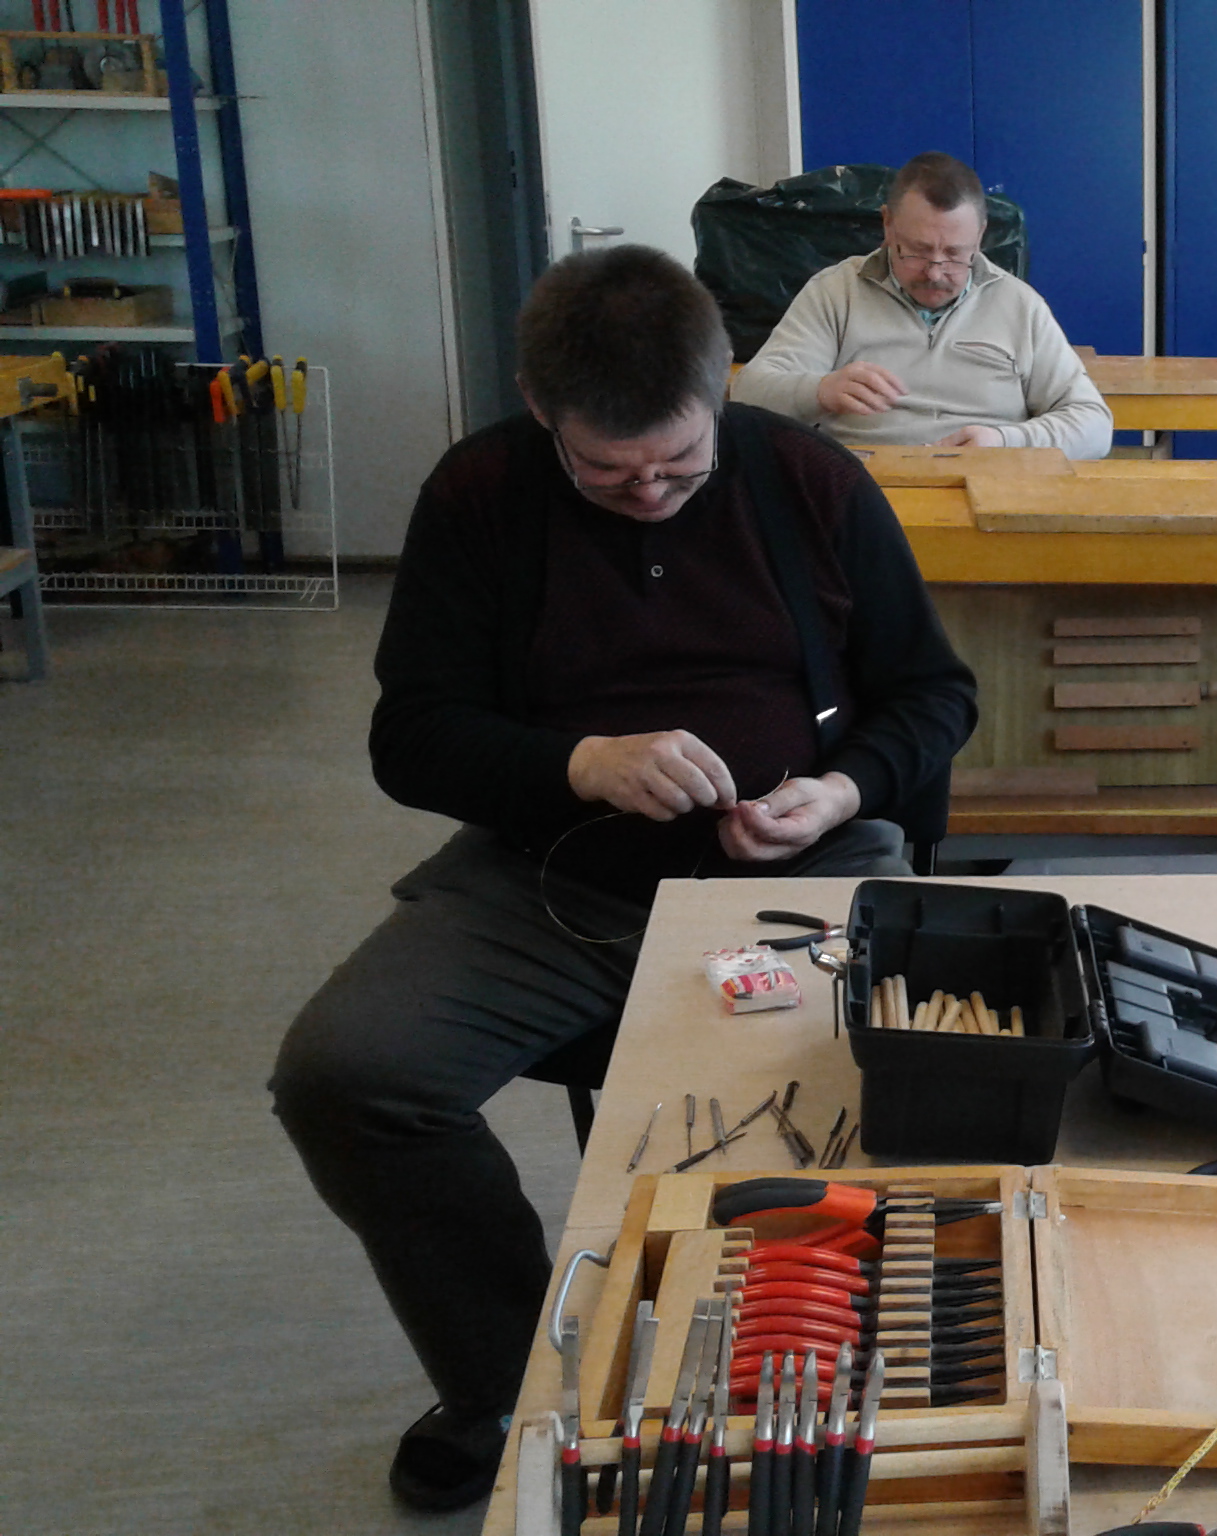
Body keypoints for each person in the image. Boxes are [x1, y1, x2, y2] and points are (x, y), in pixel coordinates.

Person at [270, 245, 976, 1512]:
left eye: (680, 464)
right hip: (552, 878)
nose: (649, 492)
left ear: (723, 393)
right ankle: (507, 1382)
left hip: (798, 869)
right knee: (347, 1073)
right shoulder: (480, 493)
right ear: (541, 411)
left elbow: (934, 695)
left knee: (872, 1096)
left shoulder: (809, 477)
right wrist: (578, 764)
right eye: (608, 471)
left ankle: (821, 1393)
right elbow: (410, 737)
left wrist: (840, 790)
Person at [729, 151, 1112, 458]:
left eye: (955, 254)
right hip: (865, 489)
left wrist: (1005, 441)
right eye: (917, 251)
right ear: (887, 225)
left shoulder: (1019, 305)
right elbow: (748, 392)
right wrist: (819, 390)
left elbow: (1094, 425)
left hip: (990, 483)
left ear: (980, 235)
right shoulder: (836, 292)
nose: (935, 272)